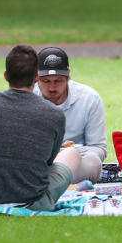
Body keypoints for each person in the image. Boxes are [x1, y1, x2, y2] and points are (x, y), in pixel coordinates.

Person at [0, 44, 81, 210]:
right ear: (36, 77)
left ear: (6, 75)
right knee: (72, 153)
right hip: (31, 202)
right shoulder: (54, 114)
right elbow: (49, 161)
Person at [32, 46, 107, 183]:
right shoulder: (29, 98)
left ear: (68, 75)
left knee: (92, 163)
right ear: (36, 78)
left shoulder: (89, 98)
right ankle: (56, 185)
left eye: (58, 81)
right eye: (46, 81)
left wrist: (69, 152)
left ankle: (45, 185)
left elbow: (99, 149)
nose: (52, 88)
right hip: (37, 162)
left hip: (73, 164)